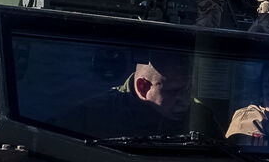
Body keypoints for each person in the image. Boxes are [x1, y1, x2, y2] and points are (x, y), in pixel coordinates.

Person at [61, 51, 220, 139]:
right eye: (174, 91)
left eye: (189, 89)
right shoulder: (91, 116)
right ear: (143, 87)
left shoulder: (201, 120)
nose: (185, 100)